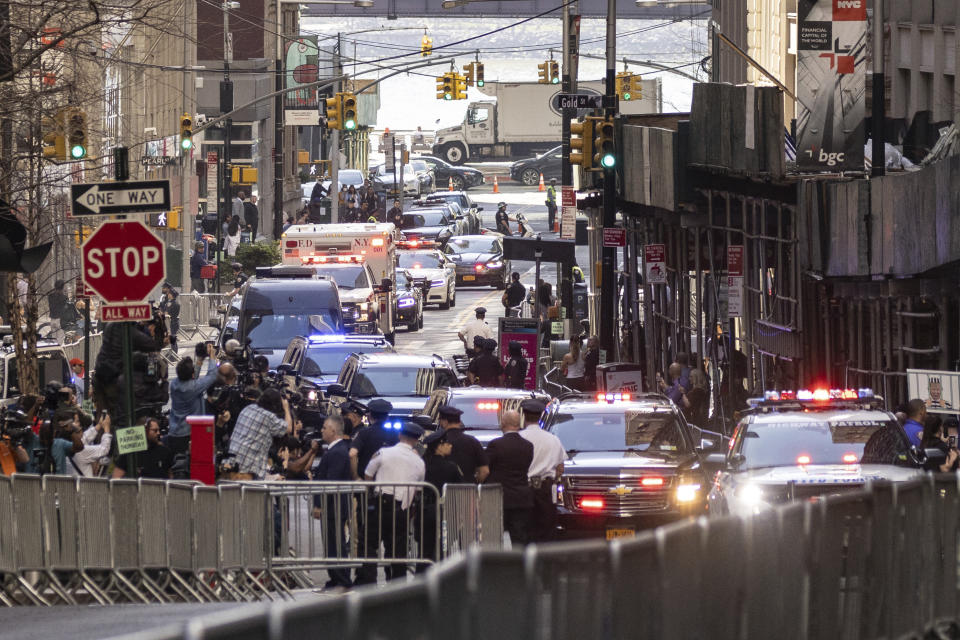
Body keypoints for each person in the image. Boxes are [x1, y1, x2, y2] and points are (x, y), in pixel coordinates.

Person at [364, 421, 425, 582]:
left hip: (379, 505)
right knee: (398, 550)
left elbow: (368, 474)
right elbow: (418, 491)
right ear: (417, 440)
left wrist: (371, 493)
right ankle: (397, 584)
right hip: (401, 509)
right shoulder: (419, 462)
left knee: (370, 545)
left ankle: (368, 581)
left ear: (399, 435)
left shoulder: (383, 453)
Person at [350, 398, 399, 585]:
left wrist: (357, 478)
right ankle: (393, 579)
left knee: (367, 539)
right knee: (391, 539)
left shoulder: (364, 434)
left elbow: (352, 454)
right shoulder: (395, 435)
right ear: (387, 415)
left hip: (368, 494)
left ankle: (367, 580)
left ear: (369, 415)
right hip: (392, 493)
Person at [312, 415, 354, 589]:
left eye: (324, 428)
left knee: (335, 543)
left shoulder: (337, 452)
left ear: (333, 431)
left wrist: (320, 504)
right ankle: (336, 578)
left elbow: (331, 481)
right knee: (331, 543)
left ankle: (342, 579)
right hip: (333, 505)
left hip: (334, 505)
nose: (322, 431)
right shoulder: (334, 450)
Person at [485, 410, 534, 547]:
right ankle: (520, 565)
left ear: (503, 423)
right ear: (518, 424)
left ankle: (500, 563)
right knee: (519, 537)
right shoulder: (528, 446)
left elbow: (486, 467)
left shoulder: (496, 445)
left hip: (500, 497)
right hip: (522, 497)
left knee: (495, 535)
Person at [519, 398, 565, 543]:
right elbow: (560, 468)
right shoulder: (553, 439)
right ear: (540, 416)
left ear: (524, 416)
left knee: (525, 530)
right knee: (546, 530)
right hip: (545, 490)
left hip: (524, 489)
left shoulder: (519, 438)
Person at [417, 429, 462, 571]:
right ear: (439, 446)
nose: (450, 446)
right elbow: (459, 488)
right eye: (447, 443)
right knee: (443, 547)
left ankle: (421, 579)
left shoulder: (422, 464)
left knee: (424, 549)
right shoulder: (451, 467)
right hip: (444, 511)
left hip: (423, 510)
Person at [166, 343, 220, 455]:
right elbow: (212, 375)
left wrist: (200, 359)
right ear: (191, 374)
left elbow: (191, 377)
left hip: (175, 432)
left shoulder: (174, 384)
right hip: (190, 433)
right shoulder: (194, 387)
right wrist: (211, 357)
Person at [228, 388, 294, 478]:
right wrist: (286, 408)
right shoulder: (268, 417)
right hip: (248, 468)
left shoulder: (248, 408)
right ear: (275, 405)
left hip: (230, 462)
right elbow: (289, 428)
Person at [438, 405, 489, 483]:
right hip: (468, 491)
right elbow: (484, 471)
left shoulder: (438, 441)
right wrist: (474, 484)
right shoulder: (473, 441)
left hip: (444, 491)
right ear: (459, 422)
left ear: (445, 422)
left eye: (440, 421)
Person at [159, 283, 180, 353]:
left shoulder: (174, 303)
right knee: (171, 339)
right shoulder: (169, 302)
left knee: (172, 339)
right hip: (171, 322)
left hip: (173, 322)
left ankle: (174, 353)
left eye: (169, 294)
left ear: (171, 295)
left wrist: (165, 313)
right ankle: (173, 353)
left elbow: (168, 312)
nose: (168, 295)